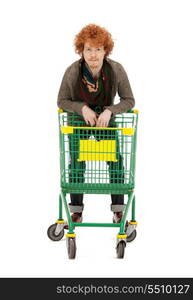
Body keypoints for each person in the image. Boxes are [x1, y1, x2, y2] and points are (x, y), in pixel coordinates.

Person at [57, 24, 135, 224]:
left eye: (98, 49)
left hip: (104, 122)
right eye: (88, 49)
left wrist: (110, 110)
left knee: (116, 162)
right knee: (76, 164)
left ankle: (118, 211)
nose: (93, 55)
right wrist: (82, 108)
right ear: (81, 50)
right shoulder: (73, 71)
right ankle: (76, 212)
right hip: (78, 122)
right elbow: (62, 101)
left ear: (105, 51)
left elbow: (129, 100)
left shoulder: (116, 69)